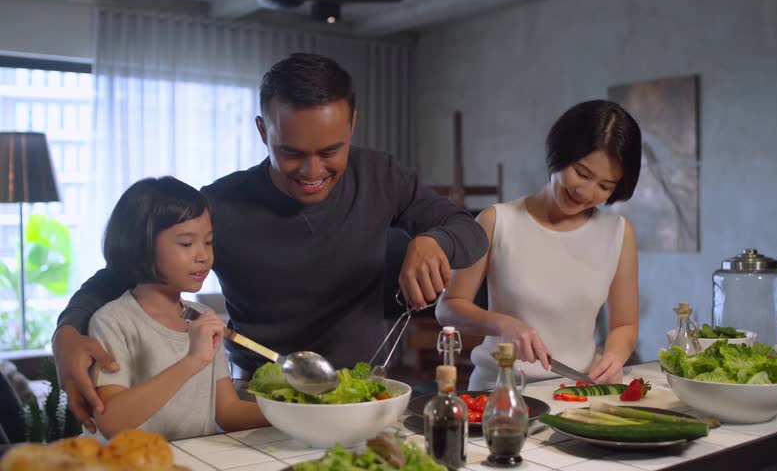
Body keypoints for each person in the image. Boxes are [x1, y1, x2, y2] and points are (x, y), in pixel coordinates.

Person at [53, 52, 488, 433]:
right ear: (263, 131)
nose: (312, 170)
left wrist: (434, 240)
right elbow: (123, 271)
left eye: (330, 152)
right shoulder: (221, 205)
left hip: (364, 391)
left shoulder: (382, 176)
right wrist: (67, 333)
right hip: (257, 395)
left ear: (353, 124)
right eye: (292, 152)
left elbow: (469, 233)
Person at [436, 100, 641, 390]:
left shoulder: (619, 234)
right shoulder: (496, 221)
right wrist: (504, 324)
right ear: (560, 152)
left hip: (578, 394)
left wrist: (614, 358)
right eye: (581, 173)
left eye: (605, 186)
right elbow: (448, 309)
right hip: (499, 392)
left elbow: (625, 326)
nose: (586, 191)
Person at [87, 176, 268, 441]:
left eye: (208, 242)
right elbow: (112, 421)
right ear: (142, 245)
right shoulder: (113, 321)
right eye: (186, 244)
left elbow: (227, 412)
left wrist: (297, 415)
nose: (203, 256)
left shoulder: (203, 319)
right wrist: (192, 361)